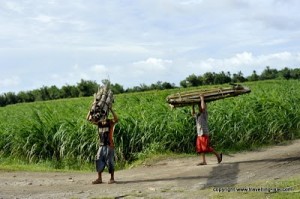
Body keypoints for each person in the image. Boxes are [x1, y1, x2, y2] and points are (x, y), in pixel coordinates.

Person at [89, 106, 118, 184]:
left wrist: (111, 109)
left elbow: (116, 119)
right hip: (101, 145)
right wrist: (91, 110)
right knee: (98, 160)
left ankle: (112, 178)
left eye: (104, 115)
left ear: (106, 115)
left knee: (110, 161)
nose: (103, 117)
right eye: (102, 116)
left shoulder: (110, 122)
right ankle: (99, 178)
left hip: (109, 145)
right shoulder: (99, 123)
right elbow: (89, 119)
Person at [192, 94, 222, 165]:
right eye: (198, 106)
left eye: (200, 106)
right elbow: (192, 113)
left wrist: (202, 99)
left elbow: (203, 108)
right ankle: (204, 161)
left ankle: (218, 155)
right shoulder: (198, 115)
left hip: (204, 133)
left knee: (206, 147)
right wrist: (192, 106)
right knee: (201, 148)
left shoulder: (204, 113)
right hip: (199, 133)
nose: (199, 108)